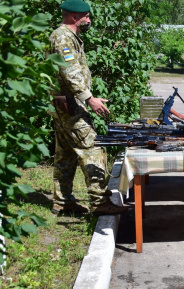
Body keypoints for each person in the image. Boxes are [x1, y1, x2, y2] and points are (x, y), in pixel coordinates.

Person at [49, 0, 128, 215]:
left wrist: (87, 96)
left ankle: (63, 202)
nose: (89, 20)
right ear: (75, 17)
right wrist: (89, 98)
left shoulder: (67, 36)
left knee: (65, 154)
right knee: (92, 149)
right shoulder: (63, 37)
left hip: (66, 103)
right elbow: (69, 71)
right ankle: (100, 202)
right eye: (86, 16)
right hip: (71, 105)